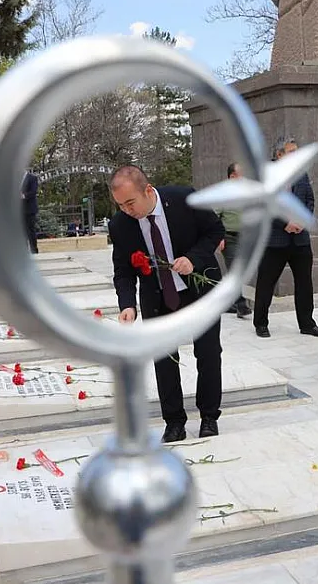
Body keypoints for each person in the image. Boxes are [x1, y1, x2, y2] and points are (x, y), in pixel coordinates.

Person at [108, 165, 225, 443]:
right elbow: (123, 270)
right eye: (121, 205)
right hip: (158, 296)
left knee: (208, 353)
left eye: (130, 202)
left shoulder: (185, 199)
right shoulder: (120, 225)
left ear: (148, 191)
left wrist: (193, 258)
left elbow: (215, 231)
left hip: (198, 289)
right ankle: (174, 422)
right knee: (164, 359)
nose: (127, 210)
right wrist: (127, 304)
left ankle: (209, 416)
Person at [253, 138, 318, 339]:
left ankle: (307, 324)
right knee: (266, 283)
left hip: (300, 240)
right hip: (275, 240)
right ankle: (261, 323)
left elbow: (310, 200)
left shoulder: (301, 174)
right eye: (292, 151)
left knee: (304, 283)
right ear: (280, 155)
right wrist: (285, 223)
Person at [216, 162, 252, 318]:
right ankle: (241, 304)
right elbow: (214, 218)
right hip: (229, 238)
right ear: (232, 177)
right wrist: (218, 238)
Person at [22, 170, 39, 253]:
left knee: (31, 231)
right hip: (20, 210)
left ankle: (34, 250)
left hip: (30, 209)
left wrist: (24, 195)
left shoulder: (32, 178)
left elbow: (34, 191)